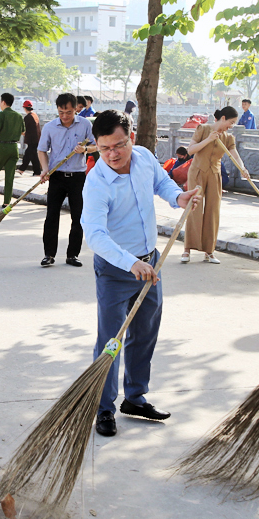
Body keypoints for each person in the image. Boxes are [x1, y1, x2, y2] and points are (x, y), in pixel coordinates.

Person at [81, 110, 201, 437]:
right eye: (104, 148)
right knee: (111, 340)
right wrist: (129, 263)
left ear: (131, 137)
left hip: (151, 262)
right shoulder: (97, 182)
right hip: (117, 269)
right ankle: (104, 408)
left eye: (119, 145)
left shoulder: (145, 157)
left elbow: (161, 182)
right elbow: (94, 234)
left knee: (145, 330)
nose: (113, 154)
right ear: (97, 147)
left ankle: (135, 396)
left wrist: (178, 196)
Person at [181, 106, 249, 264]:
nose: (230, 126)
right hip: (197, 172)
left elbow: (235, 155)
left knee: (213, 211)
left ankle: (209, 251)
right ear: (223, 118)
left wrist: (243, 168)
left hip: (214, 174)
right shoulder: (203, 129)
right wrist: (209, 139)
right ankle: (187, 249)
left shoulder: (228, 138)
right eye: (230, 122)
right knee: (194, 208)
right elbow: (190, 150)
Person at [37, 92, 96, 267]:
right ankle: (49, 254)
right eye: (61, 112)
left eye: (68, 112)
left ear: (76, 109)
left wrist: (85, 150)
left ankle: (72, 255)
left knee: (78, 217)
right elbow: (42, 150)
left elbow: (97, 145)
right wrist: (45, 169)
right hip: (57, 176)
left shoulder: (85, 124)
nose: (65, 116)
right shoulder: (50, 127)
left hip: (77, 177)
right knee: (52, 216)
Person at [0, 93, 25, 206]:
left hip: (2, 147)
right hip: (14, 148)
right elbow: (23, 132)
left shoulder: (1, 115)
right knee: (10, 175)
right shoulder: (19, 116)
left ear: (3, 102)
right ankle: (7, 202)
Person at [17, 100, 41, 176]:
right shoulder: (35, 115)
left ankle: (22, 169)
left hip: (31, 139)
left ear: (24, 108)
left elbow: (24, 128)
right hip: (36, 138)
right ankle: (36, 172)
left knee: (28, 154)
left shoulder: (28, 117)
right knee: (33, 156)